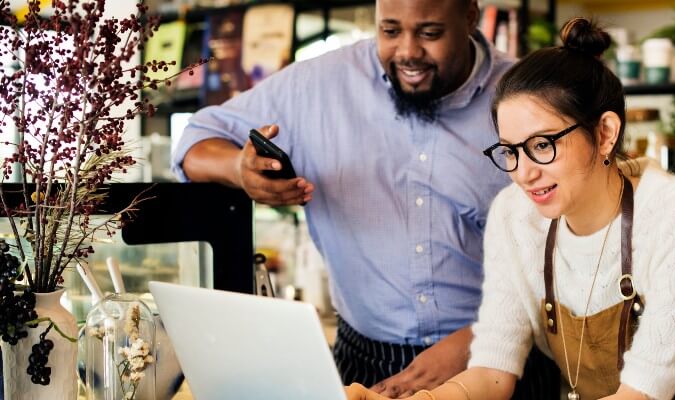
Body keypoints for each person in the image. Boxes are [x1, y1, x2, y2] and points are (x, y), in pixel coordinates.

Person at [345, 17, 675, 400]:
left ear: (605, 133)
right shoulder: (514, 216)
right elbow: (493, 371)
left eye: (542, 145)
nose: (523, 173)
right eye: (510, 151)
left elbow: (643, 390)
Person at [172, 0, 563, 398]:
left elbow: (581, 247)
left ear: (469, 18)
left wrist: (480, 340)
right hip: (367, 365)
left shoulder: (529, 97)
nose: (408, 51)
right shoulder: (317, 86)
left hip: (507, 358)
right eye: (390, 31)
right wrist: (239, 169)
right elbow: (195, 140)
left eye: (430, 33)